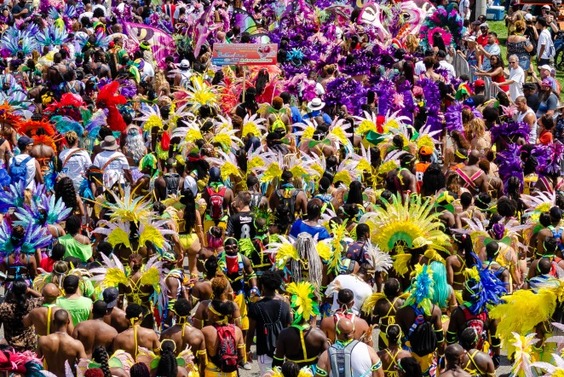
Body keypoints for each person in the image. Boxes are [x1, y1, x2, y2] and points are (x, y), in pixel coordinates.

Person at [247, 270, 292, 374]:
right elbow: (289, 328)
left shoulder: (255, 307)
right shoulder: (284, 305)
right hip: (282, 352)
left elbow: (250, 332)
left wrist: (247, 350)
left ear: (262, 286)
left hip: (264, 352)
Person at [315, 317, 384, 377]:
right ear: (353, 331)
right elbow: (379, 374)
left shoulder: (326, 355)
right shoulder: (369, 351)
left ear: (336, 332)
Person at [160, 298, 207, 374]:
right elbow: (203, 360)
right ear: (189, 313)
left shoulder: (165, 334)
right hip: (192, 373)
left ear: (175, 312)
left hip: (173, 373)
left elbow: (161, 358)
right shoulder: (198, 334)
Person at [201, 300, 246, 377]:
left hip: (212, 372)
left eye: (209, 310)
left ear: (215, 315)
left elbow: (202, 357)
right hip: (231, 373)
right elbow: (241, 355)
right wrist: (229, 364)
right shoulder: (237, 330)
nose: (207, 312)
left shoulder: (206, 331)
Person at [37, 309, 87, 376]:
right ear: (68, 321)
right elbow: (83, 367)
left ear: (54, 322)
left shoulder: (43, 341)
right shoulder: (76, 344)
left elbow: (36, 362)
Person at [0, 279, 41, 351]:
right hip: (29, 346)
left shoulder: (4, 308)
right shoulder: (31, 304)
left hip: (11, 347)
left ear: (12, 292)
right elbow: (44, 297)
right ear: (25, 291)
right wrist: (30, 290)